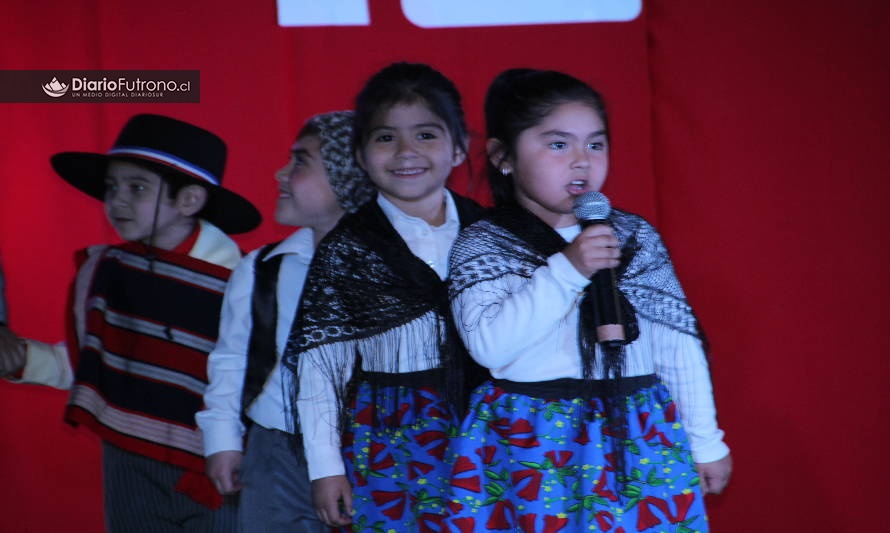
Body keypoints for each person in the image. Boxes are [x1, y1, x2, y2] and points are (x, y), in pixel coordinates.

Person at [444, 69, 732, 532]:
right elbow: (490, 347)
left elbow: (677, 345)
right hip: (531, 436)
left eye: (595, 145)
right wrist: (568, 270)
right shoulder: (484, 245)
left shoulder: (634, 237)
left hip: (636, 426)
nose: (582, 161)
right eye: (558, 145)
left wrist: (705, 441)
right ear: (503, 157)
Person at [0, 114, 261, 532]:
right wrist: (22, 360)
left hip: (220, 463)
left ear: (189, 200)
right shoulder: (109, 272)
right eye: (111, 187)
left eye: (137, 188)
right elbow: (96, 366)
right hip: (129, 458)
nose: (117, 201)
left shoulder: (245, 283)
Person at [282, 62, 486, 532]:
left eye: (427, 135)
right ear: (359, 153)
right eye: (385, 137)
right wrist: (326, 468)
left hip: (487, 424)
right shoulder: (348, 249)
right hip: (390, 436)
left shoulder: (493, 235)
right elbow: (320, 367)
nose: (406, 152)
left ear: (459, 149)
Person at [196, 111, 375, 533]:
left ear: (347, 177)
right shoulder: (263, 267)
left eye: (300, 162)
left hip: (365, 446)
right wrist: (222, 437)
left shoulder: (388, 270)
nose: (280, 173)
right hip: (276, 446)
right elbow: (231, 358)